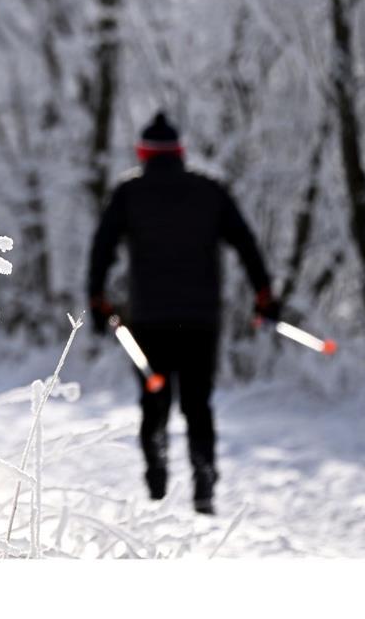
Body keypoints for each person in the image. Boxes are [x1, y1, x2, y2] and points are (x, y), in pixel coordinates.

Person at [86, 111, 279, 515]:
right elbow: (246, 244)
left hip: (150, 320)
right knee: (198, 404)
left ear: (142, 152)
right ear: (180, 152)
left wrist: (98, 300)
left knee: (154, 399)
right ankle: (204, 481)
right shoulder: (210, 191)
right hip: (199, 321)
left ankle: (156, 484)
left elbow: (102, 249)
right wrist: (263, 295)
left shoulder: (128, 193)